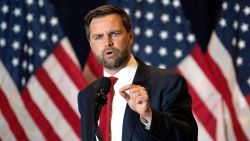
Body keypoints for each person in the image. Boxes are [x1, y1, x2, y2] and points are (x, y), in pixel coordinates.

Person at [78, 5, 198, 141]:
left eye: (114, 34)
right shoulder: (86, 96)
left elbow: (188, 137)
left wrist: (149, 116)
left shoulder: (167, 82)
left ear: (130, 37)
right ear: (90, 44)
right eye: (99, 37)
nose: (107, 43)